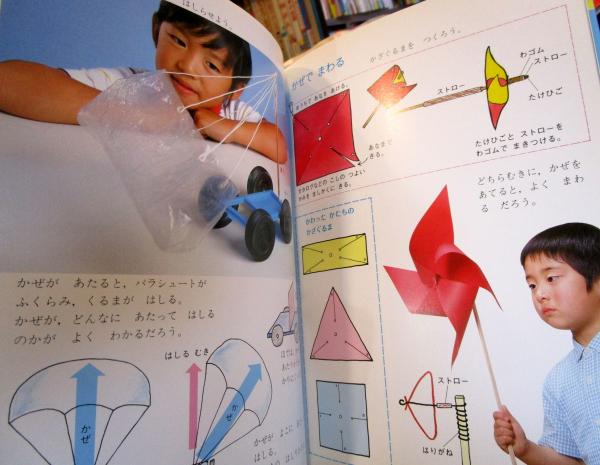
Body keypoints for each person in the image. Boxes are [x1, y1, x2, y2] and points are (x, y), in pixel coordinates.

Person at [0, 1, 287, 163]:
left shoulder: (231, 111)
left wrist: (221, 126)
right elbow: (7, 81)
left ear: (235, 91)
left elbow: (278, 146)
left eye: (211, 65)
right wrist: (137, 113)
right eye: (178, 41)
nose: (186, 66)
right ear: (156, 30)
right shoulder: (128, 84)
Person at [493, 222, 600, 465]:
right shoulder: (558, 381)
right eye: (532, 285)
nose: (540, 294)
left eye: (552, 278)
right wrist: (526, 449)